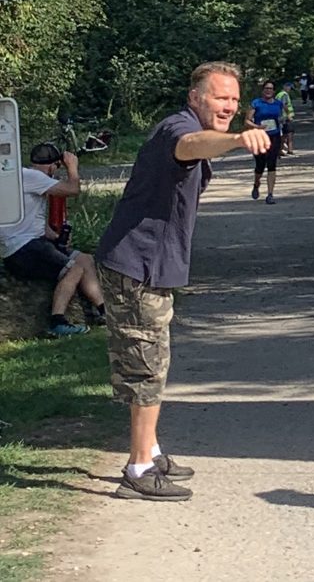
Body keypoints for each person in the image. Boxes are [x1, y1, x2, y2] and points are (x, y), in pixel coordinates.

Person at [96, 61, 270, 501]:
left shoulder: (186, 125)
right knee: (146, 368)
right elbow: (192, 145)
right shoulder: (179, 128)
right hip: (138, 265)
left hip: (147, 264)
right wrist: (234, 140)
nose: (229, 105)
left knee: (154, 358)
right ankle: (137, 470)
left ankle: (150, 451)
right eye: (219, 97)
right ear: (195, 98)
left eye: (234, 98)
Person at [0, 144, 106, 337]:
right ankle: (58, 321)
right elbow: (73, 189)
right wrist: (72, 167)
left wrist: (57, 238)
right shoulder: (34, 177)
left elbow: (35, 223)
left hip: (29, 243)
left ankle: (103, 310)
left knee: (84, 259)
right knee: (74, 269)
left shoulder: (23, 177)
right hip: (23, 249)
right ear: (52, 166)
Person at [245, 80, 284, 204]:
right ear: (263, 90)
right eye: (266, 88)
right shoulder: (256, 103)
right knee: (260, 165)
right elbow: (247, 121)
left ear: (274, 91)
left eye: (271, 89)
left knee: (272, 163)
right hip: (259, 137)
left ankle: (270, 194)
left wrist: (283, 119)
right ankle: (256, 184)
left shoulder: (278, 104)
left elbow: (282, 117)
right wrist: (257, 127)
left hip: (274, 136)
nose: (268, 91)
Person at [276, 81, 296, 156]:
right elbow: (284, 105)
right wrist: (288, 115)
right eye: (289, 88)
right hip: (285, 117)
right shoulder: (284, 95)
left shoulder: (279, 94)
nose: (289, 89)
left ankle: (280, 150)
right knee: (289, 133)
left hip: (280, 116)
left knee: (283, 134)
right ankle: (289, 149)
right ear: (285, 87)